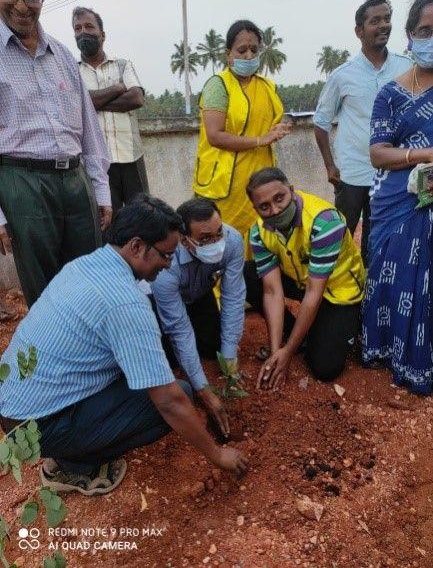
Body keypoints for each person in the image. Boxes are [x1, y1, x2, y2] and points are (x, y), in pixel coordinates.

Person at [0, 195, 248, 495]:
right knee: (177, 395)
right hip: (38, 427)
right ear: (136, 246)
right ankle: (74, 464)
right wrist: (218, 455)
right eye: (166, 255)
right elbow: (169, 401)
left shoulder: (85, 265)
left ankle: (73, 440)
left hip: (14, 405)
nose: (169, 265)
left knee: (147, 372)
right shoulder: (125, 304)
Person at [0, 0, 112, 308]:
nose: (21, 5)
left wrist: (100, 190)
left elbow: (89, 128)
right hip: (22, 182)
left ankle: (92, 354)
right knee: (44, 286)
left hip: (76, 180)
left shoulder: (61, 55)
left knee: (91, 275)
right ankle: (51, 354)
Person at [363, 0, 433, 395]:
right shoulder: (390, 93)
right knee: (397, 274)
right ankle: (392, 349)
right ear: (410, 36)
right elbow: (377, 152)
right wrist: (424, 154)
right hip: (399, 200)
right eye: (426, 29)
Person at [244, 167, 365, 390]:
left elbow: (313, 292)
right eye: (264, 206)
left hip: (338, 291)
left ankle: (346, 325)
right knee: (249, 275)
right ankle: (293, 335)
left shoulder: (325, 222)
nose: (275, 209)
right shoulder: (258, 232)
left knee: (325, 369)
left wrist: (288, 352)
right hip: (302, 281)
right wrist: (275, 351)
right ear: (256, 209)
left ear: (291, 190)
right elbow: (272, 291)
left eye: (280, 198)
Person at [314, 0, 412, 263]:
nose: (383, 25)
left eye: (387, 19)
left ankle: (371, 296)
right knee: (341, 239)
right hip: (352, 173)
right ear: (359, 31)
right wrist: (330, 166)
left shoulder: (407, 68)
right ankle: (340, 298)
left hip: (394, 173)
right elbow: (320, 123)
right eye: (375, 21)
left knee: (379, 238)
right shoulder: (342, 75)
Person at [151, 198, 245, 438]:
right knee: (171, 357)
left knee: (213, 345)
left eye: (218, 233)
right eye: (205, 238)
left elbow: (233, 297)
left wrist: (230, 358)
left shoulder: (232, 241)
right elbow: (178, 328)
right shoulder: (166, 265)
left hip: (200, 293)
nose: (215, 243)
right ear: (184, 240)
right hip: (161, 301)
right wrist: (203, 390)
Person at [192, 19, 290, 242]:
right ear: (229, 54)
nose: (248, 56)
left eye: (254, 50)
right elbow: (215, 136)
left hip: (260, 180)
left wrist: (278, 129)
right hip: (224, 184)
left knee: (260, 243)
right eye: (242, 50)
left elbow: (267, 122)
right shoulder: (218, 85)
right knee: (224, 243)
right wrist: (260, 140)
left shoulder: (267, 86)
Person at [73, 7, 148, 213]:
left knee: (143, 219)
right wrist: (117, 88)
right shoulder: (72, 70)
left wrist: (90, 101)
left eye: (89, 26)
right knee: (107, 225)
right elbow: (76, 104)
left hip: (131, 157)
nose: (83, 32)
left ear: (102, 35)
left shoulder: (122, 65)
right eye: (77, 28)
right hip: (96, 165)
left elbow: (136, 98)